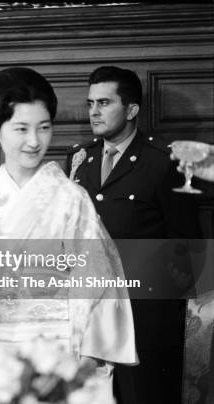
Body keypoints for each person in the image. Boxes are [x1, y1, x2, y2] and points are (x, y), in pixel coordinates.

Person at [0, 67, 137, 394]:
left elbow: (99, 279)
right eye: (21, 129)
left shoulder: (71, 198)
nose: (34, 141)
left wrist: (78, 357)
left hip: (56, 348)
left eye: (43, 128)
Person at [66, 66, 203, 404]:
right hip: (91, 319)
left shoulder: (164, 163)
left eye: (104, 103)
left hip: (145, 322)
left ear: (131, 110)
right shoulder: (80, 160)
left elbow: (189, 247)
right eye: (90, 104)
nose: (93, 112)